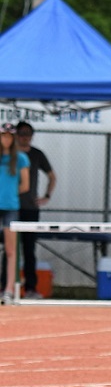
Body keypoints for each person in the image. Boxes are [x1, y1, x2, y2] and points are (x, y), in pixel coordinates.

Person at [14, 121, 56, 299]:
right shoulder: (9, 154)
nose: (24, 137)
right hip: (11, 206)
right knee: (10, 249)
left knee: (29, 249)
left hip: (30, 207)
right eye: (21, 133)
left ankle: (31, 287)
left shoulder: (36, 155)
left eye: (28, 133)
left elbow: (52, 176)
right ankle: (6, 286)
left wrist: (46, 196)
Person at [0, 123, 30, 305]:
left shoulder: (20, 158)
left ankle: (9, 289)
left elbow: (25, 185)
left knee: (11, 251)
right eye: (4, 135)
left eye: (10, 136)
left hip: (11, 207)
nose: (6, 139)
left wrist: (9, 194)